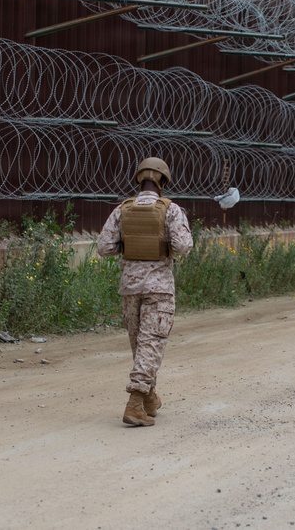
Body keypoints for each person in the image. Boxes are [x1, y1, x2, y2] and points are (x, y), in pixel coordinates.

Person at [97, 157, 193, 426]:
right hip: (159, 290)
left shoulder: (122, 210)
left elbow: (104, 247)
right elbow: (184, 246)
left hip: (130, 288)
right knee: (151, 344)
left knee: (141, 345)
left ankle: (149, 397)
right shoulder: (171, 210)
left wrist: (127, 245)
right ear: (163, 181)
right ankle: (136, 403)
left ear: (138, 179)